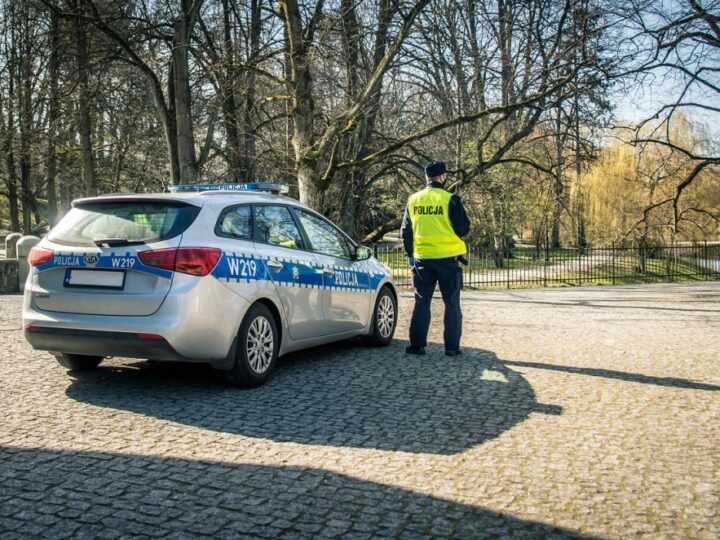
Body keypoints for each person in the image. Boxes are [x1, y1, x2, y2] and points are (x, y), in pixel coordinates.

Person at [400, 160, 470, 356]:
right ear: (442, 177)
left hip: (423, 258)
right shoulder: (451, 199)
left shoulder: (413, 200)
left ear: (426, 177)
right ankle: (452, 347)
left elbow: (406, 231)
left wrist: (410, 255)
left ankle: (416, 345)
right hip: (448, 259)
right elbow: (463, 229)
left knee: (422, 301)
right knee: (451, 302)